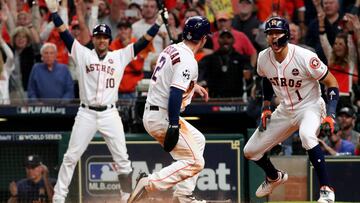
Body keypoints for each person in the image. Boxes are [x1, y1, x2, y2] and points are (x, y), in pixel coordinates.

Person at [43, 0, 166, 202]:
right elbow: (65, 35)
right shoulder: (82, 53)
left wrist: (158, 24)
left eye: (105, 38)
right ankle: (58, 197)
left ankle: (126, 197)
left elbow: (142, 42)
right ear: (93, 39)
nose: (101, 41)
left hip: (110, 113)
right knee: (71, 156)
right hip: (86, 113)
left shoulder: (119, 56)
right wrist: (55, 13)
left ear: (109, 40)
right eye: (98, 37)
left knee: (123, 161)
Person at [243, 16, 338, 203]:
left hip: (310, 105)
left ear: (286, 35)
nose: (273, 37)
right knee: (250, 151)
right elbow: (266, 79)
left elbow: (332, 82)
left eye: (277, 33)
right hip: (285, 109)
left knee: (307, 136)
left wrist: (331, 113)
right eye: (270, 34)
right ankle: (274, 177)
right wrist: (266, 107)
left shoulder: (305, 57)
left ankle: (327, 190)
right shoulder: (263, 57)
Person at [127, 16, 211, 203]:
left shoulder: (171, 48)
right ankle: (148, 184)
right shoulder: (188, 60)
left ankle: (183, 196)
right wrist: (173, 124)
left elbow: (171, 77)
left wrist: (192, 86)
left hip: (155, 111)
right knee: (196, 162)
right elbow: (174, 92)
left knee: (199, 140)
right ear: (204, 38)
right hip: (164, 116)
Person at [198, 29, 252, 98]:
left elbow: (249, 71)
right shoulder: (210, 59)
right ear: (218, 40)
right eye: (222, 38)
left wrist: (248, 74)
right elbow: (200, 72)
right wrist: (201, 80)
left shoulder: (241, 59)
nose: (225, 40)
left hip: (236, 98)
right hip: (215, 98)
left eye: (228, 37)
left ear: (233, 40)